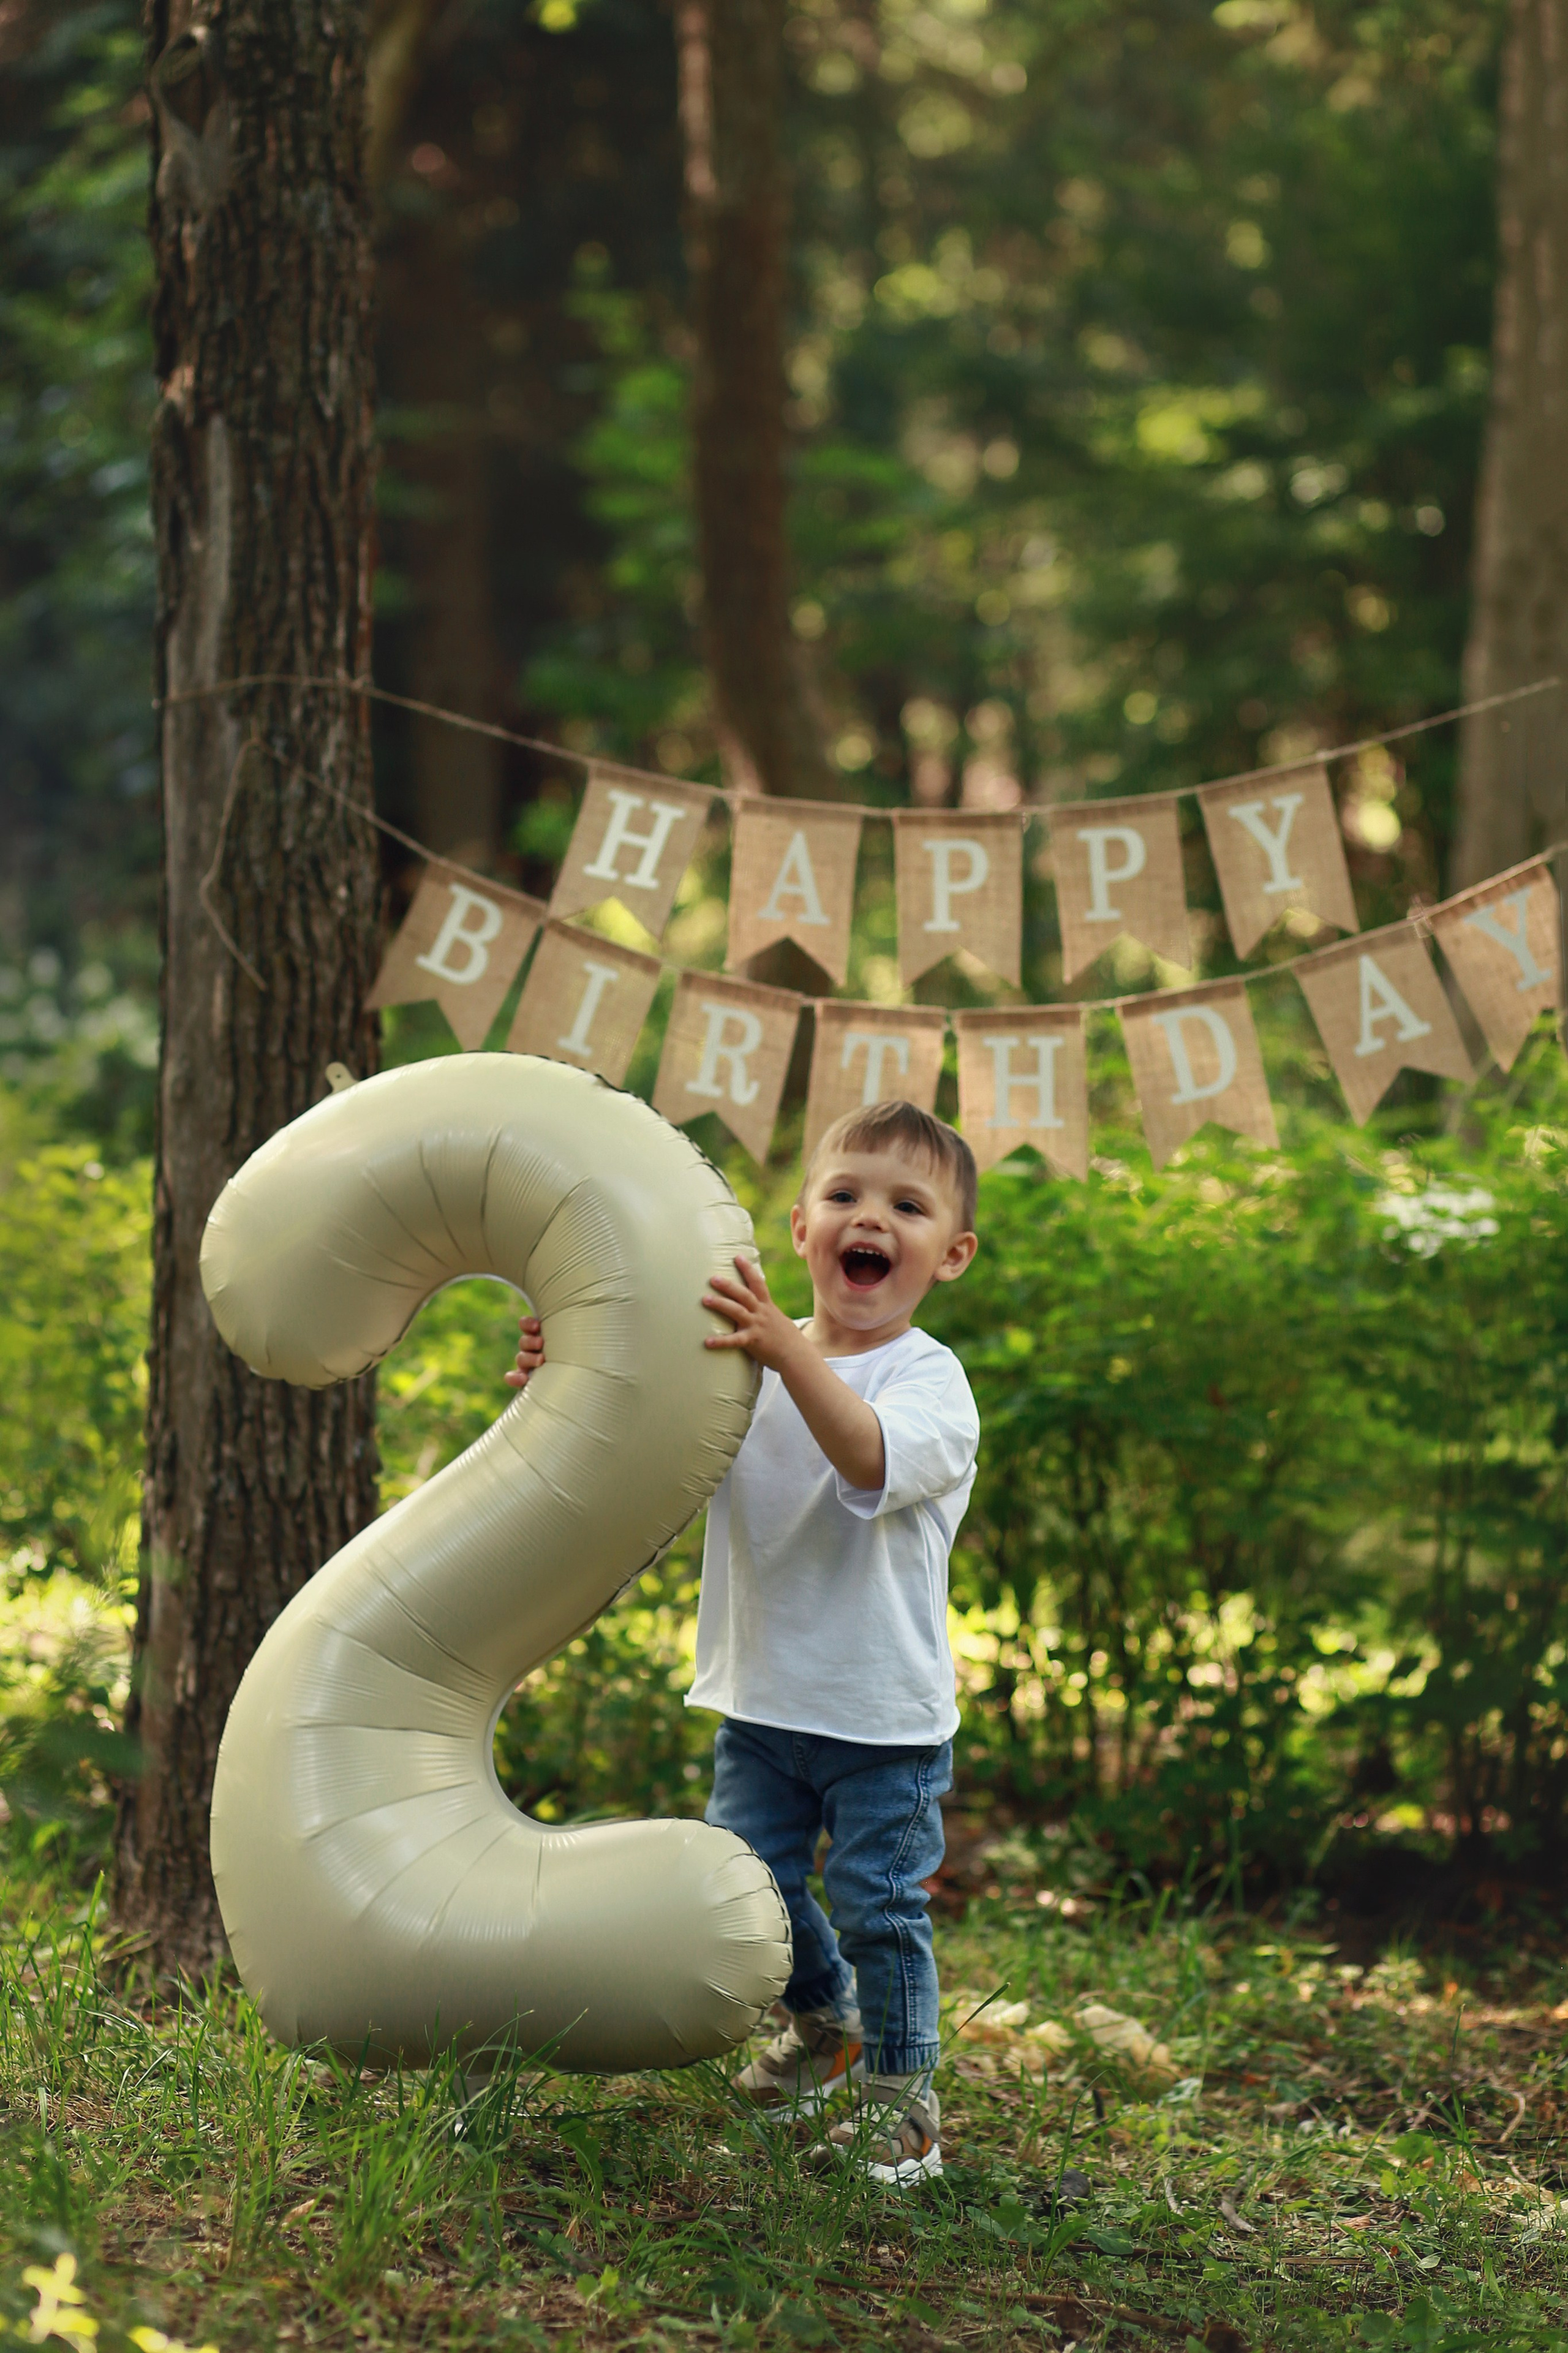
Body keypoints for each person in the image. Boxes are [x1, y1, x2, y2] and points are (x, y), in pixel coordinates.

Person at [507, 1097, 980, 2186]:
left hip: (883, 1721)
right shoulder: (743, 1360)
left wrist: (778, 1349)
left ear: (949, 1255)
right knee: (756, 1886)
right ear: (805, 1228)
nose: (873, 1217)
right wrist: (561, 1369)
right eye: (846, 1194)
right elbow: (630, 1433)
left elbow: (864, 1456)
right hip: (762, 1701)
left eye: (907, 1206)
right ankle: (828, 2028)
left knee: (879, 1905)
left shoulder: (928, 1381)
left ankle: (905, 2101)